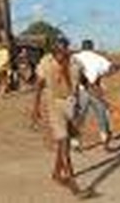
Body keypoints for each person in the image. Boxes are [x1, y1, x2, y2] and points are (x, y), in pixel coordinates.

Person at [33, 37, 83, 195]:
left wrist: (83, 102)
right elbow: (39, 85)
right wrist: (35, 107)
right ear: (53, 51)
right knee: (63, 140)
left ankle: (56, 173)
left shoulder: (75, 63)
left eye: (63, 50)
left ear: (67, 49)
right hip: (53, 103)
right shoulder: (46, 63)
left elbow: (82, 83)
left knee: (65, 141)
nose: (60, 53)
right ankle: (72, 182)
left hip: (71, 103)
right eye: (57, 51)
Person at [72, 39, 115, 151]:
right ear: (92, 47)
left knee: (79, 117)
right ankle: (105, 142)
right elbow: (111, 68)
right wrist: (101, 75)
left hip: (81, 91)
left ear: (82, 47)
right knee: (102, 116)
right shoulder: (99, 58)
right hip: (96, 90)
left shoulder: (75, 57)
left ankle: (75, 143)